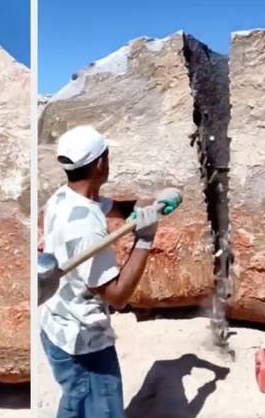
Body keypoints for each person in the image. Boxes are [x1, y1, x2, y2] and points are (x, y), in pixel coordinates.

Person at [40, 125, 181, 418]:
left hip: (57, 329)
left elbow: (115, 207)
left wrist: (153, 205)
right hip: (85, 346)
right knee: (95, 404)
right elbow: (117, 296)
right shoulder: (85, 230)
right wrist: (144, 239)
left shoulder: (63, 198)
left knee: (76, 403)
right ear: (100, 163)